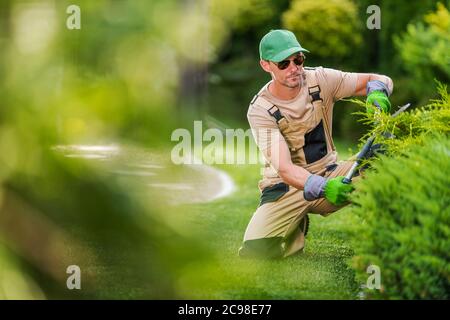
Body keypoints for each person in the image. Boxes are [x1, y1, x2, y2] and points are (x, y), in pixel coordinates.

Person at [239, 29, 393, 259]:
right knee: (256, 253)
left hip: (331, 172)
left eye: (298, 59)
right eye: (283, 63)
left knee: (388, 158)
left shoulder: (321, 79)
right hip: (286, 186)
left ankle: (388, 242)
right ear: (265, 65)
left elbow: (381, 79)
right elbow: (285, 169)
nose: (294, 68)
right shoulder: (261, 110)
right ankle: (296, 225)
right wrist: (324, 188)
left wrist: (378, 92)